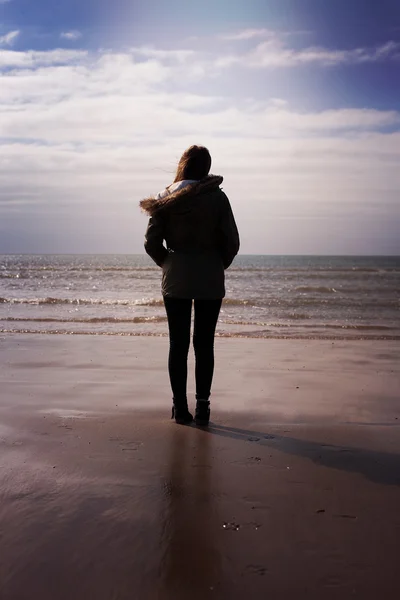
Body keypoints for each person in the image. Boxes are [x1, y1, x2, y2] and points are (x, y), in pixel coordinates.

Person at [140, 145, 240, 426]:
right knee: (204, 343)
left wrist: (169, 264)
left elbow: (151, 243)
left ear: (183, 165)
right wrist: (218, 264)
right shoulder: (218, 199)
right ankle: (204, 407)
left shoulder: (166, 199)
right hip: (209, 273)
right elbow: (232, 242)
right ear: (206, 169)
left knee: (178, 343)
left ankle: (180, 408)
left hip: (176, 275)